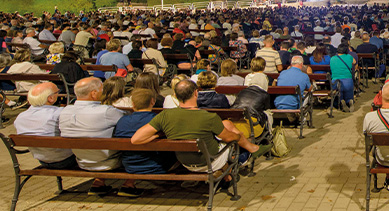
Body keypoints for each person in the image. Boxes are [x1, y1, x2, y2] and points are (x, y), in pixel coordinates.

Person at [131, 79, 271, 176]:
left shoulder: (165, 115)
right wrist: (238, 136)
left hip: (184, 161)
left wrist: (159, 134)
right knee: (232, 141)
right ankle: (243, 159)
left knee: (225, 127)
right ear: (196, 93)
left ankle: (232, 170)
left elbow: (136, 139)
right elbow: (229, 138)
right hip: (210, 162)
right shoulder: (208, 117)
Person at [59, 77, 130, 195]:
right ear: (94, 94)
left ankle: (99, 181)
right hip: (108, 161)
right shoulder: (106, 111)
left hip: (81, 160)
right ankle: (129, 184)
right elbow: (129, 119)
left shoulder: (65, 111)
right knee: (135, 146)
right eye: (102, 89)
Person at [112, 89, 178, 197]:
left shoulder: (122, 121)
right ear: (153, 102)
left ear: (132, 104)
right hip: (156, 166)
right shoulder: (157, 120)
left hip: (129, 165)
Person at [13, 82, 76, 169]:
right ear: (50, 98)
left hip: (42, 159)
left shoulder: (20, 117)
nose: (58, 95)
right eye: (57, 92)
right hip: (65, 159)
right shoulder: (59, 113)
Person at [330, 43, 356, 111]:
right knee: (349, 92)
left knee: (338, 91)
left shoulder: (333, 58)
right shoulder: (349, 57)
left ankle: (341, 101)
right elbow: (354, 62)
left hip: (335, 81)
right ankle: (349, 100)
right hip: (348, 80)